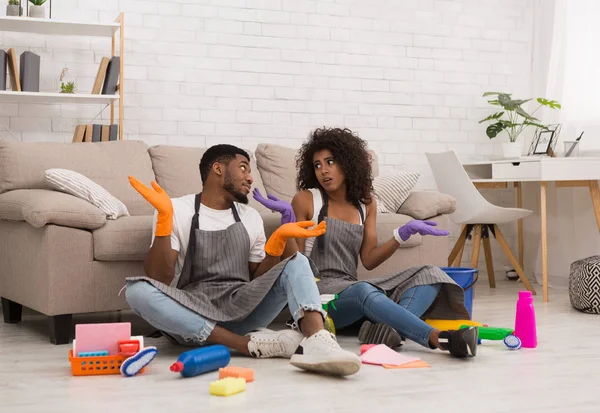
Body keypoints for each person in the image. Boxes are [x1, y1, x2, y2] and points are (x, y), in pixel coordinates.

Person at [124, 144, 362, 376]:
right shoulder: (176, 208)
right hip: (194, 312)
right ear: (218, 169)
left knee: (298, 261)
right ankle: (243, 344)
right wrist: (165, 220)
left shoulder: (251, 217)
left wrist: (275, 246)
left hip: (241, 308)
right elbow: (159, 278)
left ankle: (317, 342)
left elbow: (257, 279)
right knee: (136, 291)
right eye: (243, 168)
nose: (250, 178)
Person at [253, 128, 478, 358]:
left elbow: (369, 260)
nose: (324, 170)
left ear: (348, 164)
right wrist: (287, 224)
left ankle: (391, 331)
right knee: (363, 290)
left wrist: (401, 234)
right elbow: (295, 264)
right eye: (318, 165)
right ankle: (438, 338)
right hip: (319, 297)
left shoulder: (366, 204)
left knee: (430, 273)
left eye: (330, 162)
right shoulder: (308, 199)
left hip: (350, 290)